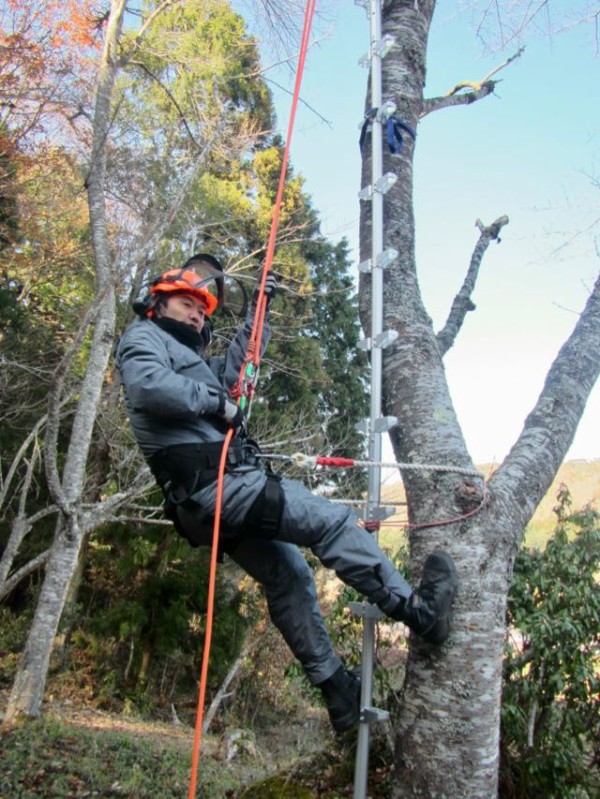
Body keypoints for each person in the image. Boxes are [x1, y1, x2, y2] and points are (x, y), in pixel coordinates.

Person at [115, 254, 458, 733]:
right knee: (330, 521)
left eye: (203, 308)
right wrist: (218, 403)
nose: (197, 313)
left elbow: (238, 374)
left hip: (208, 499)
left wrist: (260, 313)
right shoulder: (144, 340)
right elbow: (151, 387)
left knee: (290, 576)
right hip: (220, 487)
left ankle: (337, 691)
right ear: (157, 303)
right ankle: (419, 613)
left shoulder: (192, 362)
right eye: (187, 302)